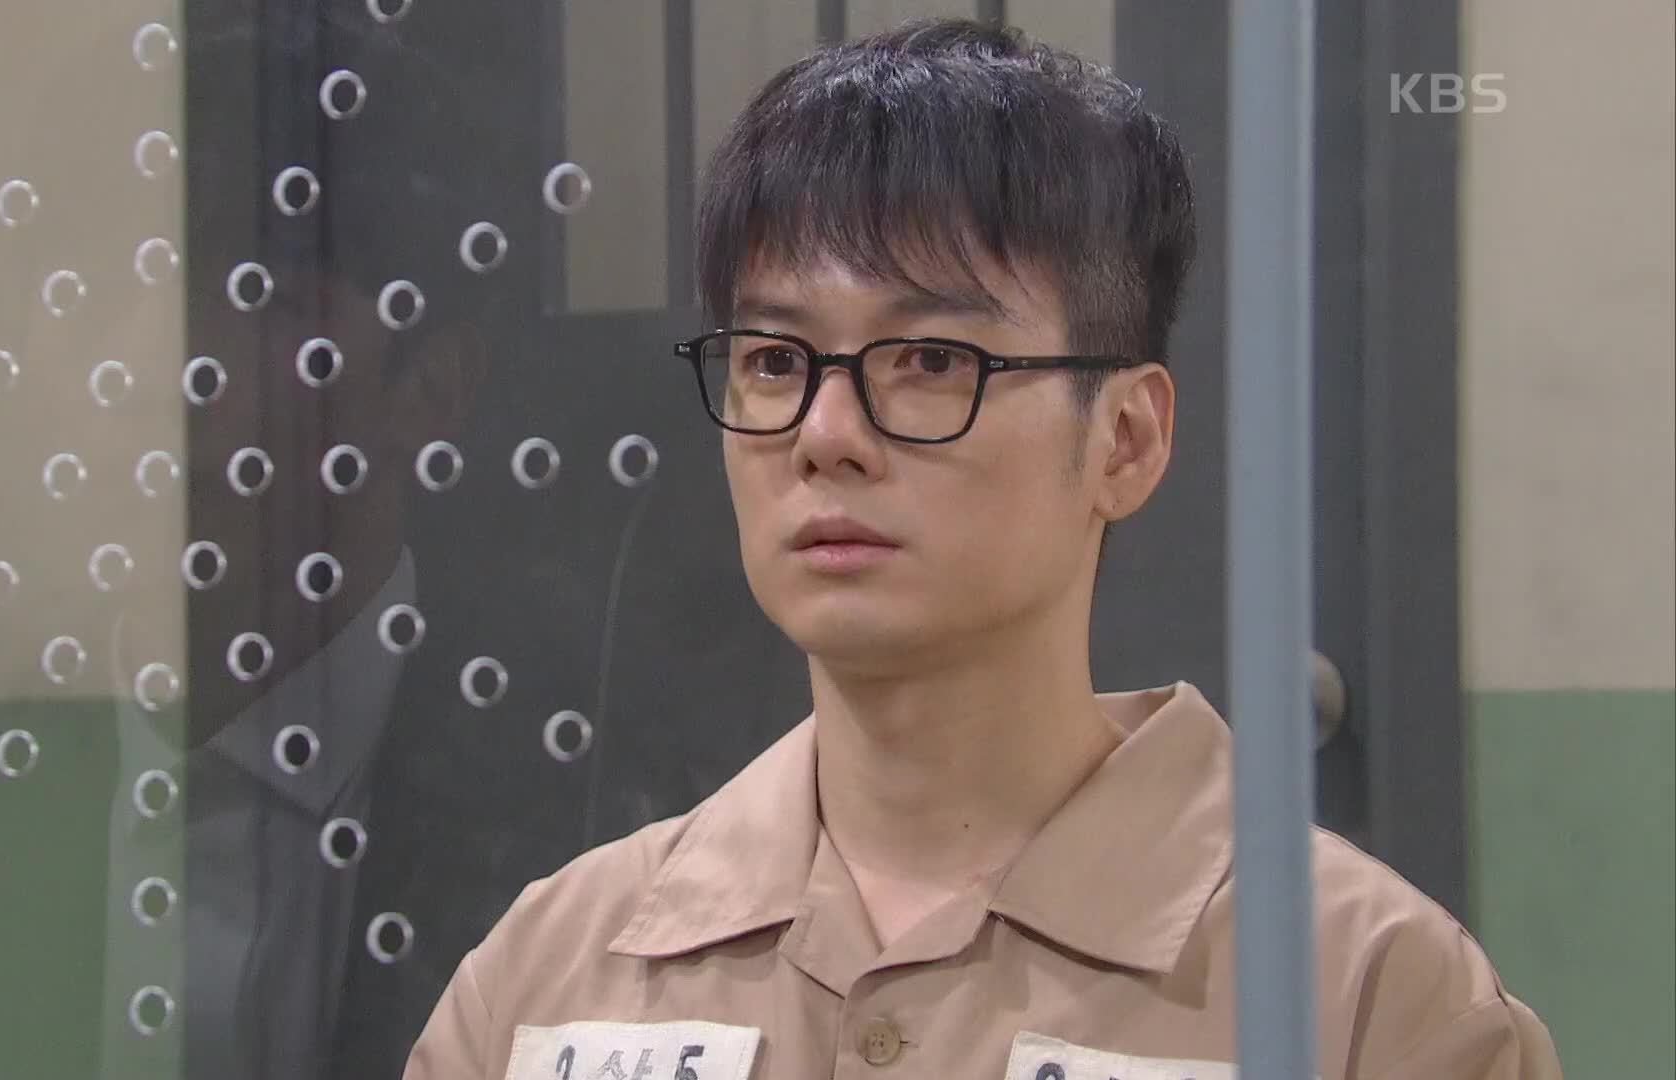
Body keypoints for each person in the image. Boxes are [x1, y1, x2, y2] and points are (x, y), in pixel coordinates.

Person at [401, 18, 1562, 1080]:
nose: (826, 435)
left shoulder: (1363, 998)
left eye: (932, 362)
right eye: (775, 362)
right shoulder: (550, 977)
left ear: (1126, 438)